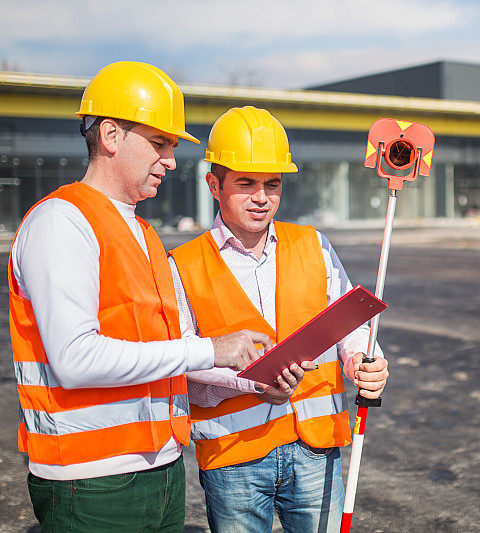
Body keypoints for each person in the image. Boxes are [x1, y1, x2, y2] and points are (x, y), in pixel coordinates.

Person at [9, 62, 273, 531]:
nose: (171, 161)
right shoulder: (62, 222)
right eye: (160, 143)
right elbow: (75, 359)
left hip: (160, 470)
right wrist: (213, 348)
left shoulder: (145, 234)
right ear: (110, 135)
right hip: (90, 481)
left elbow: (163, 351)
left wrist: (247, 372)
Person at [169, 105, 389, 533]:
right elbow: (181, 354)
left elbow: (349, 322)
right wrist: (251, 382)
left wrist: (362, 359)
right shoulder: (183, 265)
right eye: (245, 183)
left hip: (314, 446)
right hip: (235, 456)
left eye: (273, 184)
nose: (261, 197)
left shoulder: (313, 244)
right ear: (214, 184)